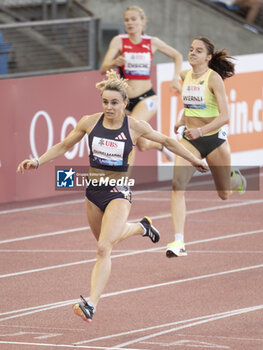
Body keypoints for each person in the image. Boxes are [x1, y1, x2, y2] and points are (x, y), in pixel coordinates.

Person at [17, 70, 208, 323]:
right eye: (105, 102)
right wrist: (37, 161)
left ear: (125, 103)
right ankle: (142, 227)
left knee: (103, 248)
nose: (109, 107)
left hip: (119, 191)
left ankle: (91, 304)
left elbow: (167, 141)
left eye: (115, 102)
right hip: (93, 191)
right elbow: (64, 145)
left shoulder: (135, 126)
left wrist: (194, 159)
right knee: (107, 241)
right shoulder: (89, 122)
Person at [166, 37, 247, 258]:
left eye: (198, 51)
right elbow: (192, 104)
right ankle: (178, 241)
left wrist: (201, 131)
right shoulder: (185, 75)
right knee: (176, 184)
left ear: (208, 57)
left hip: (214, 141)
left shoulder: (214, 79)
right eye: (191, 49)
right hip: (190, 141)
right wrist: (183, 120)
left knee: (224, 194)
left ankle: (236, 179)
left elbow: (225, 116)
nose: (192, 53)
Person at [100, 5, 183, 161]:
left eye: (134, 19)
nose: (130, 23)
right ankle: (161, 145)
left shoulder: (152, 42)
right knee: (142, 144)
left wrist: (175, 79)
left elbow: (177, 55)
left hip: (147, 98)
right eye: (126, 20)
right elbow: (103, 69)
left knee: (129, 134)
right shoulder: (119, 41)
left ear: (143, 21)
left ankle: (125, 183)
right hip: (125, 100)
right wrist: (114, 62)